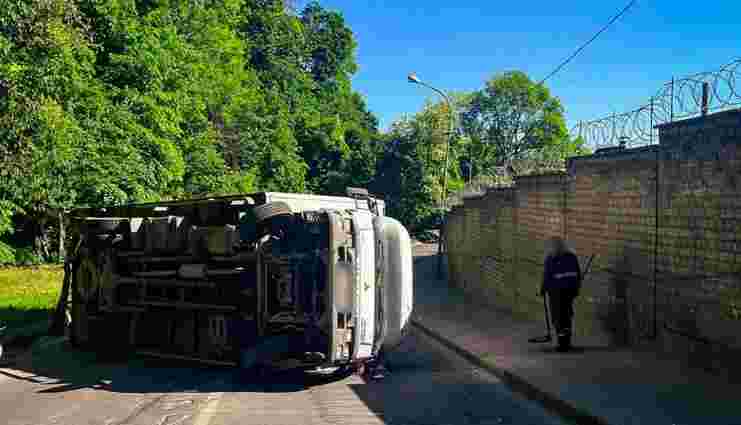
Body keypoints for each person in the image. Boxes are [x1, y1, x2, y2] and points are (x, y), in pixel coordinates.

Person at [540, 237, 582, 352]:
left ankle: (562, 344)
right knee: (567, 316)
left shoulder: (551, 258)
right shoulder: (572, 257)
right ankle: (566, 342)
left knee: (558, 317)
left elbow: (547, 276)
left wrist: (543, 289)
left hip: (556, 292)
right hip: (569, 291)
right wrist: (576, 289)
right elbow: (578, 274)